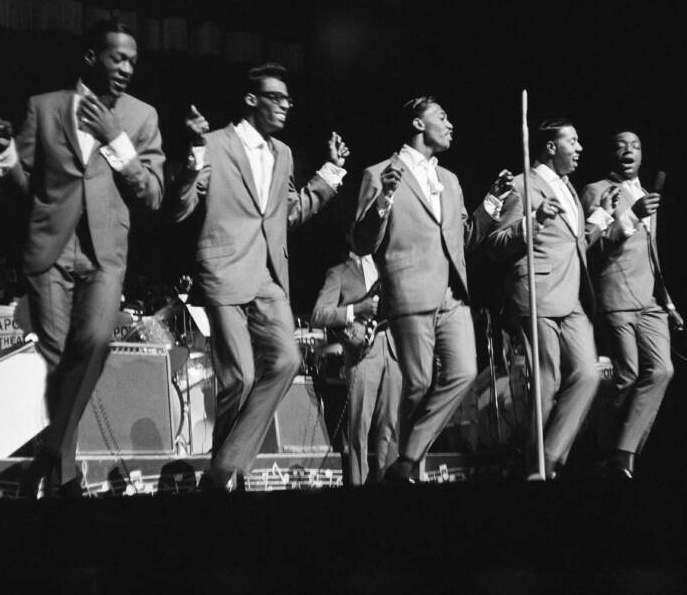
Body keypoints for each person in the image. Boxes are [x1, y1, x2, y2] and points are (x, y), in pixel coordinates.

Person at [0, 18, 165, 497]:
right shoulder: (43, 108)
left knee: (94, 344)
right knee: (59, 356)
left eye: (132, 60)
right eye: (117, 58)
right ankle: (64, 470)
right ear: (92, 57)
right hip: (51, 247)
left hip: (106, 252)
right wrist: (5, 153)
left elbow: (153, 196)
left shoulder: (141, 117)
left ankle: (48, 454)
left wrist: (118, 141)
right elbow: (22, 191)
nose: (126, 68)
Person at [170, 63, 350, 491]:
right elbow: (180, 208)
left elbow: (287, 214)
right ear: (252, 100)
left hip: (270, 276)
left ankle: (222, 469)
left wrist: (330, 173)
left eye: (289, 99)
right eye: (277, 98)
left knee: (288, 361)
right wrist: (194, 153)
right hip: (224, 269)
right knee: (240, 378)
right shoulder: (214, 144)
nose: (287, 106)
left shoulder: (282, 154)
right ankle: (228, 473)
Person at [352, 96, 513, 484]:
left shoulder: (451, 181)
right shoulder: (379, 173)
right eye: (442, 116)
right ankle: (395, 465)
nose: (450, 124)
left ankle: (404, 462)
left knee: (463, 373)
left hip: (452, 294)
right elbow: (361, 242)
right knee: (419, 383)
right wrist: (385, 199)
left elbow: (465, 238)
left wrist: (491, 201)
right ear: (418, 123)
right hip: (409, 291)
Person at [488, 118, 617, 479]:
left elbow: (575, 245)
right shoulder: (521, 185)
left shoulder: (569, 190)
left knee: (589, 374)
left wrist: (602, 216)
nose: (580, 149)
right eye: (572, 141)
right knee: (546, 382)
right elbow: (496, 245)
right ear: (549, 147)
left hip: (573, 296)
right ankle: (538, 470)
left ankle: (548, 455)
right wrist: (532, 220)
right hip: (537, 294)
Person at [580, 131, 682, 478]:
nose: (628, 150)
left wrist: (667, 301)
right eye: (621, 144)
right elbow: (590, 248)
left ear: (642, 155)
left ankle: (622, 453)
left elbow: (651, 254)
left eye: (636, 145)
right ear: (612, 153)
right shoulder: (596, 191)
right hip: (616, 296)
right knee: (627, 377)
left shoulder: (645, 193)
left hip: (650, 299)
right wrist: (630, 216)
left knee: (663, 370)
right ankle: (608, 453)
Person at [311, 246, 400, 485]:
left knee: (391, 428)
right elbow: (319, 315)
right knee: (358, 429)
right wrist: (356, 309)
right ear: (351, 233)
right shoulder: (339, 273)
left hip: (394, 348)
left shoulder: (391, 260)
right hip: (363, 352)